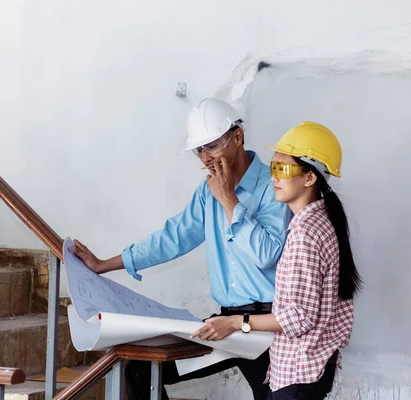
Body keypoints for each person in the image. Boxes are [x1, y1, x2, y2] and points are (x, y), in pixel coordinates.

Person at [71, 98, 292, 400]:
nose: (205, 158)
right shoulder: (208, 190)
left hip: (269, 325)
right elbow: (173, 238)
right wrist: (104, 264)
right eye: (199, 150)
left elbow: (266, 255)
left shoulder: (275, 186)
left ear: (237, 138)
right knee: (141, 368)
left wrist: (229, 200)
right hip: (226, 325)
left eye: (212, 146)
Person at [192, 122, 362, 399]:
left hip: (299, 372)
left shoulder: (304, 234)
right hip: (310, 367)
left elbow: (298, 317)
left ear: (309, 178)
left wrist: (236, 322)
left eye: (283, 170)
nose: (274, 178)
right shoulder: (321, 220)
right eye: (273, 168)